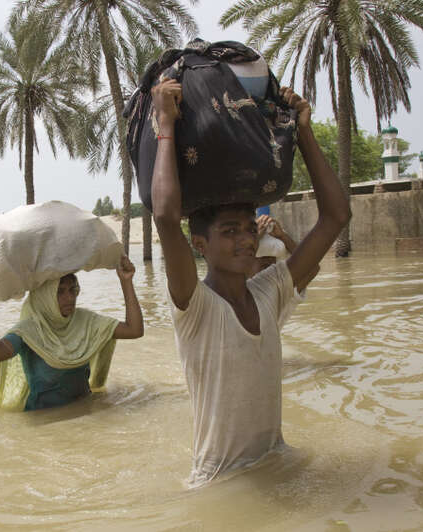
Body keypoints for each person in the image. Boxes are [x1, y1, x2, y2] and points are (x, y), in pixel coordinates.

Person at [151, 79, 351, 485]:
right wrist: (165, 125)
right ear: (200, 245)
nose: (245, 240)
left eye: (247, 228)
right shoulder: (196, 307)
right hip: (220, 482)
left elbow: (336, 217)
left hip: (278, 462)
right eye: (229, 231)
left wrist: (304, 131)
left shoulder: (268, 291)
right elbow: (166, 217)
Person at [0, 255, 144, 411]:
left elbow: (134, 330)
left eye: (73, 290)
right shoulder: (30, 330)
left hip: (85, 412)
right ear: (44, 295)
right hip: (42, 421)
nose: (70, 298)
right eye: (60, 292)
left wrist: (126, 281)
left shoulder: (85, 321)